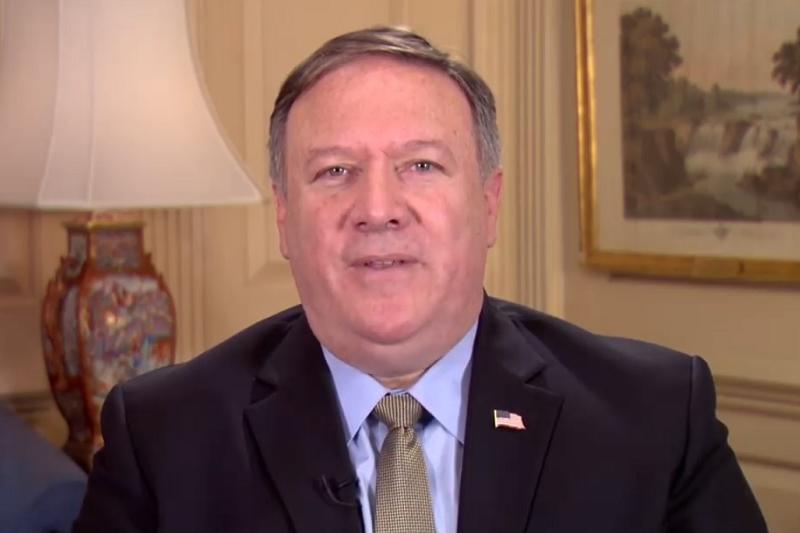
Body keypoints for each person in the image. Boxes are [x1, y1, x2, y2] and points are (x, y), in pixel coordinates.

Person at [74, 26, 767, 532]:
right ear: (284, 218)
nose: (378, 209)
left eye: (422, 166)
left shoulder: (654, 418)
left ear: (488, 203)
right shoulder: (164, 438)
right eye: (335, 171)